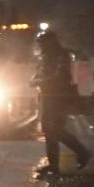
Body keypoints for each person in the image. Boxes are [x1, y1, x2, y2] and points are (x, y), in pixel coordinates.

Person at [30, 31, 90, 175]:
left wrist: (39, 81)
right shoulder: (44, 57)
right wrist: (34, 80)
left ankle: (82, 152)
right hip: (47, 97)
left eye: (43, 42)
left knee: (56, 130)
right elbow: (38, 73)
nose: (41, 46)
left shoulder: (62, 56)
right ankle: (53, 165)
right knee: (48, 132)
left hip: (59, 98)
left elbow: (60, 76)